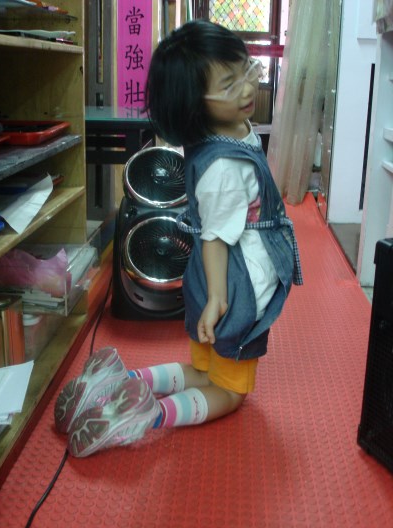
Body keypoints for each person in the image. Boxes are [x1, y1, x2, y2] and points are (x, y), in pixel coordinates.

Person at [54, 20, 303, 458]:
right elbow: (216, 239)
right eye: (229, 84)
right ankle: (145, 416)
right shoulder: (226, 169)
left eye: (245, 69)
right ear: (195, 105)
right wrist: (219, 299)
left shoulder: (221, 133)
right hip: (236, 283)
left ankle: (122, 382)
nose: (247, 87)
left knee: (202, 370)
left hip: (208, 279)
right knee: (230, 391)